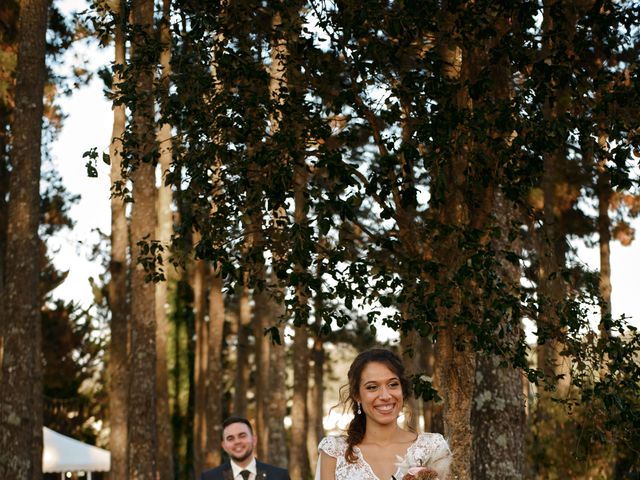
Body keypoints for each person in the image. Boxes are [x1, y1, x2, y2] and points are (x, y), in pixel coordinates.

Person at [316, 348, 452, 480]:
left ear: (402, 391)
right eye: (372, 387)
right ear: (357, 395)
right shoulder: (334, 451)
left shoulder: (433, 447)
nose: (385, 396)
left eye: (393, 384)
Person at [201, 416, 290, 480]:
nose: (237, 442)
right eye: (230, 438)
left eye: (242, 436)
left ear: (254, 440)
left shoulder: (280, 476)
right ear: (224, 446)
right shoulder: (209, 478)